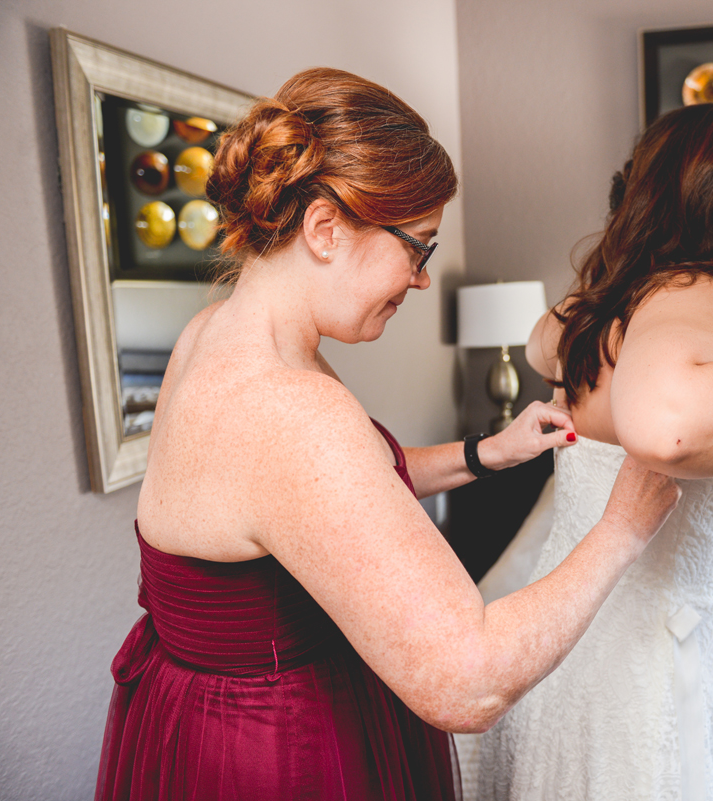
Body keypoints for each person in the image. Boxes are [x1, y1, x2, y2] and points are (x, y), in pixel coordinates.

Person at [95, 67, 681, 801]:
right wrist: (622, 529)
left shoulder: (214, 335)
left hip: (188, 722)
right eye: (420, 247)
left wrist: (484, 453)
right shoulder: (294, 412)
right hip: (281, 756)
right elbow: (468, 679)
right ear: (325, 229)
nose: (423, 278)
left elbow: (325, 501)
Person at [476, 103, 713, 800]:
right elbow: (664, 426)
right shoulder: (694, 290)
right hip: (652, 659)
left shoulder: (603, 304)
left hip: (571, 633)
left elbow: (538, 344)